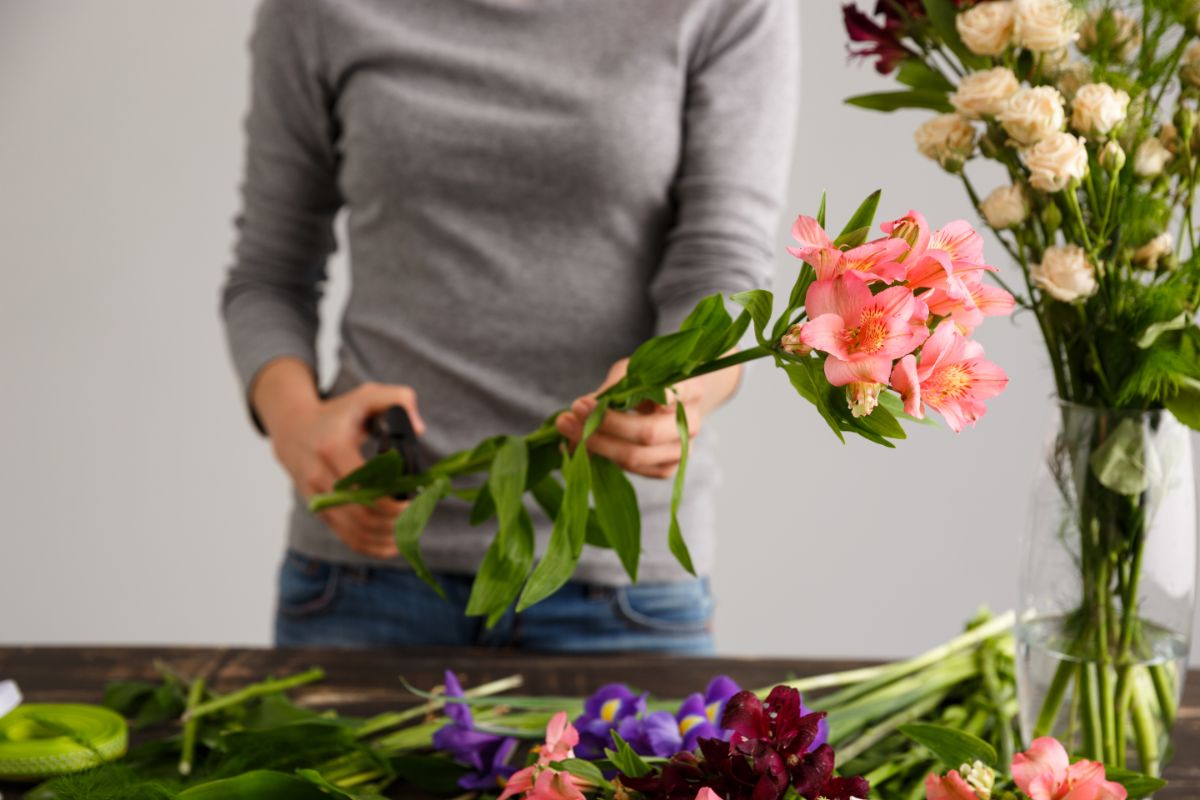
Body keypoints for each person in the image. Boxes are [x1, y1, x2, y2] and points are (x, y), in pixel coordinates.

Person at [221, 0, 798, 652]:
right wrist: (298, 427)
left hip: (614, 584)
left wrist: (680, 392)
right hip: (364, 569)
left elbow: (721, 261)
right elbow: (268, 275)